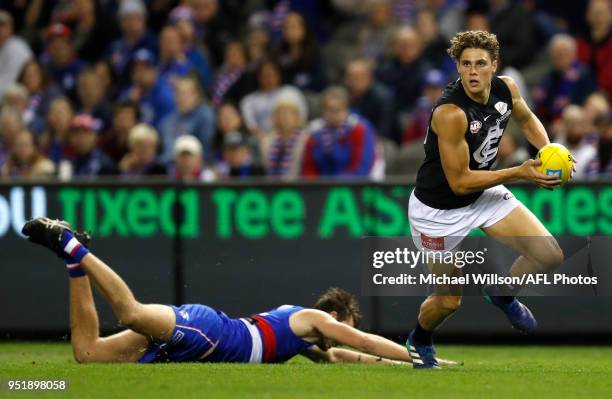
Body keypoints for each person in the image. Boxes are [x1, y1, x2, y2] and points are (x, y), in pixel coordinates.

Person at [20, 217, 456, 366]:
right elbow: (359, 340)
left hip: (209, 337)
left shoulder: (305, 337)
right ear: (337, 317)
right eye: (344, 327)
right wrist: (422, 354)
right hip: (212, 333)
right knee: (132, 313)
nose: (335, 339)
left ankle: (74, 262)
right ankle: (73, 244)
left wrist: (410, 360)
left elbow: (350, 355)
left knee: (87, 354)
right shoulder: (315, 320)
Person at [406, 31, 566, 369]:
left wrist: (549, 152)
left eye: (480, 64)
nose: (473, 71)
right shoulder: (450, 112)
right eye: (466, 64)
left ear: (495, 65)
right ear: (458, 68)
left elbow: (524, 118)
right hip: (437, 211)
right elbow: (460, 182)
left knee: (549, 255)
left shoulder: (506, 88)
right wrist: (520, 172)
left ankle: (502, 293)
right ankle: (419, 338)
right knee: (448, 302)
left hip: (481, 193)